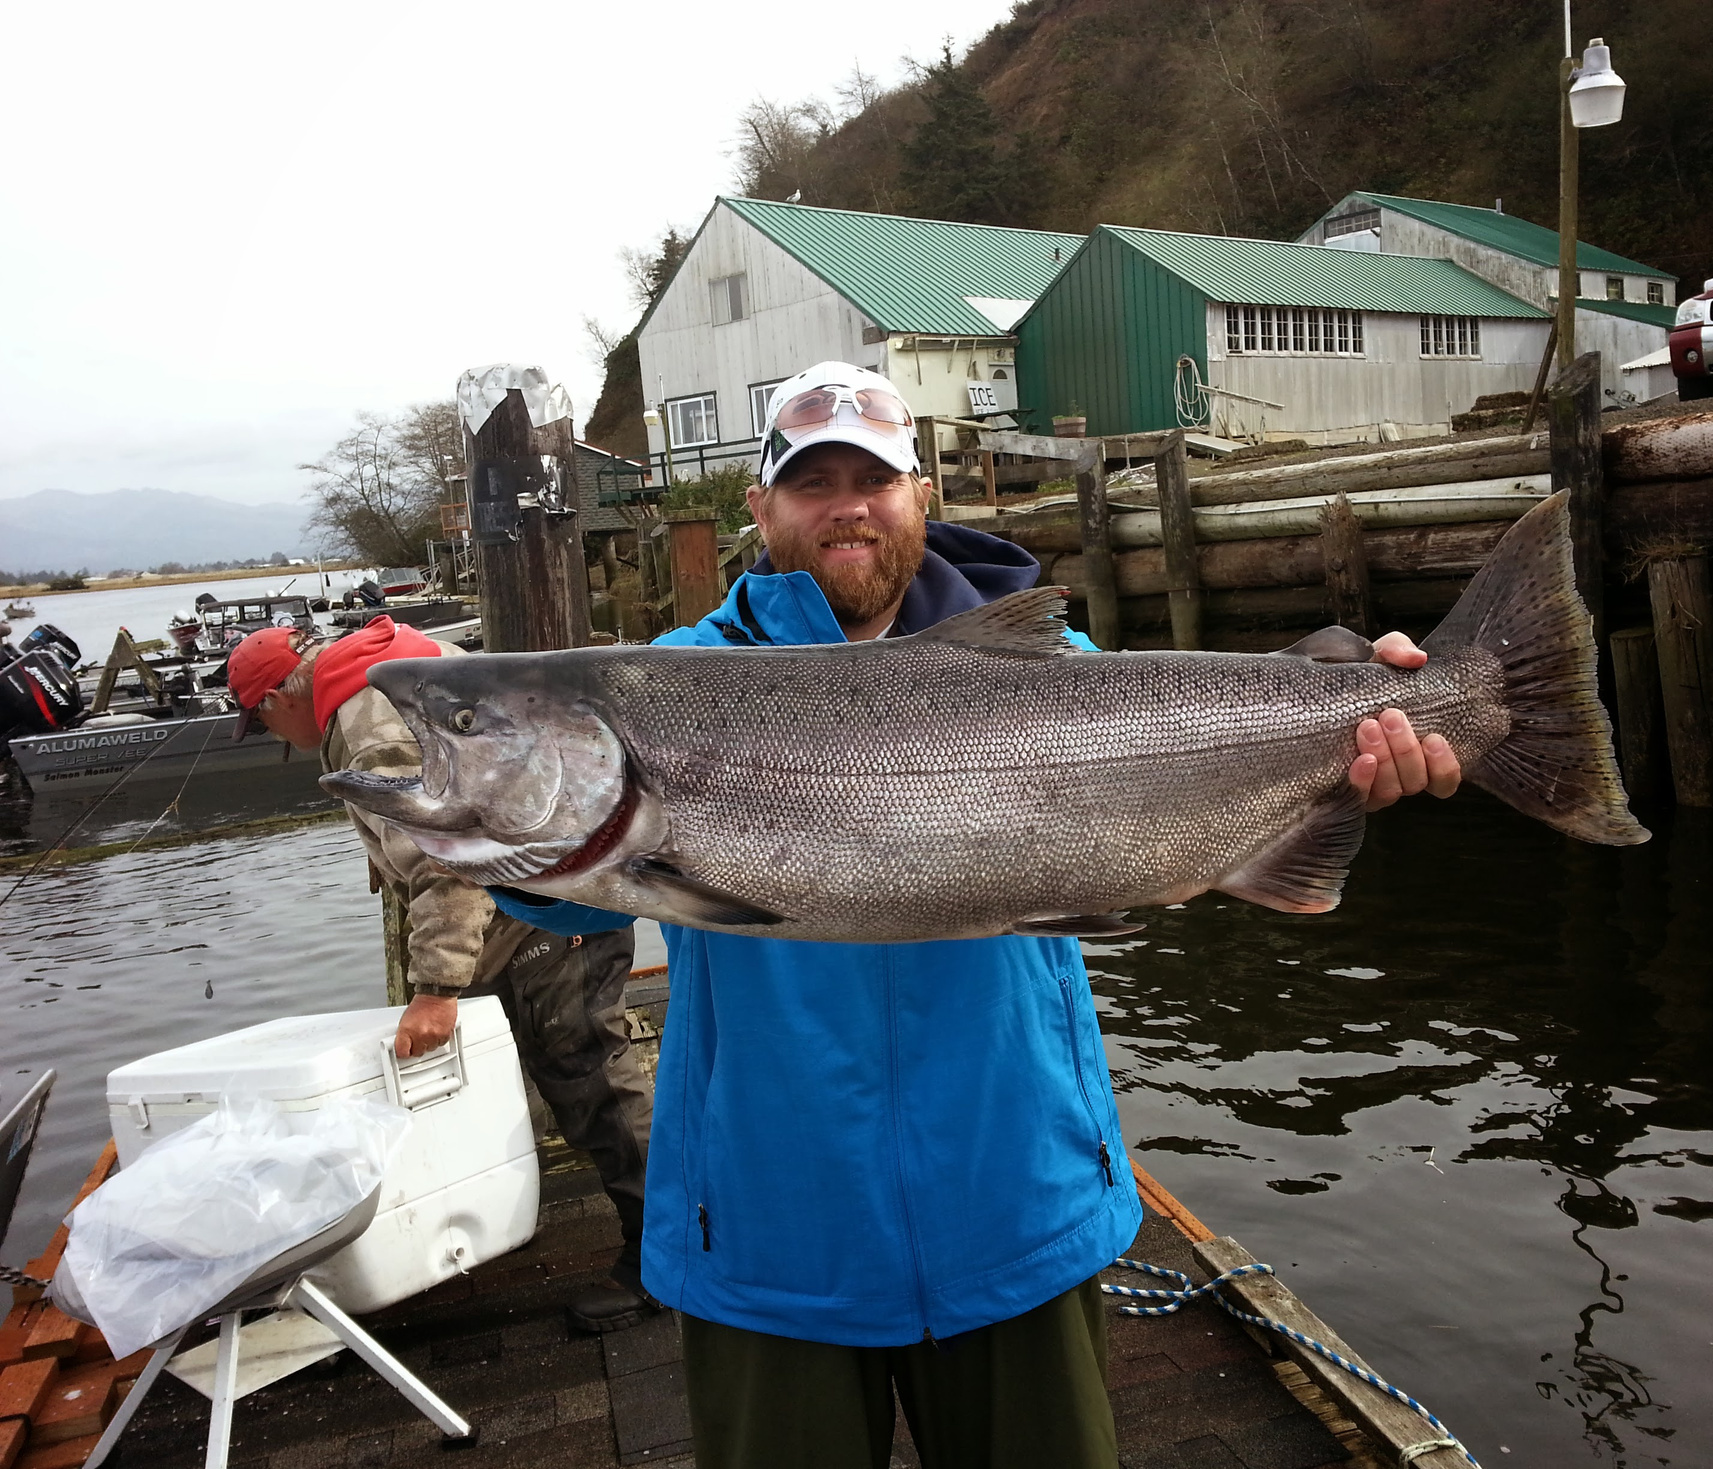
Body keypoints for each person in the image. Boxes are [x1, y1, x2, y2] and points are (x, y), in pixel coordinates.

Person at [490, 362, 1462, 1467]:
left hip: (1015, 1201)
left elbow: (1229, 780)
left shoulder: (1065, 673)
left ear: (922, 493)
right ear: (759, 509)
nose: (847, 504)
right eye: (814, 482)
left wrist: (1364, 718)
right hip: (773, 1228)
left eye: (875, 477)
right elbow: (551, 895)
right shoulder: (663, 686)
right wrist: (483, 819)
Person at [225, 617, 660, 1334]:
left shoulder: (366, 724)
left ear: (277, 696)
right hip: (547, 897)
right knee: (557, 1078)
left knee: (594, 1080)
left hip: (543, 914)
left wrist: (436, 989)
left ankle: (664, 1259)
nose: (277, 736)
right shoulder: (388, 664)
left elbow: (448, 858)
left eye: (263, 719)